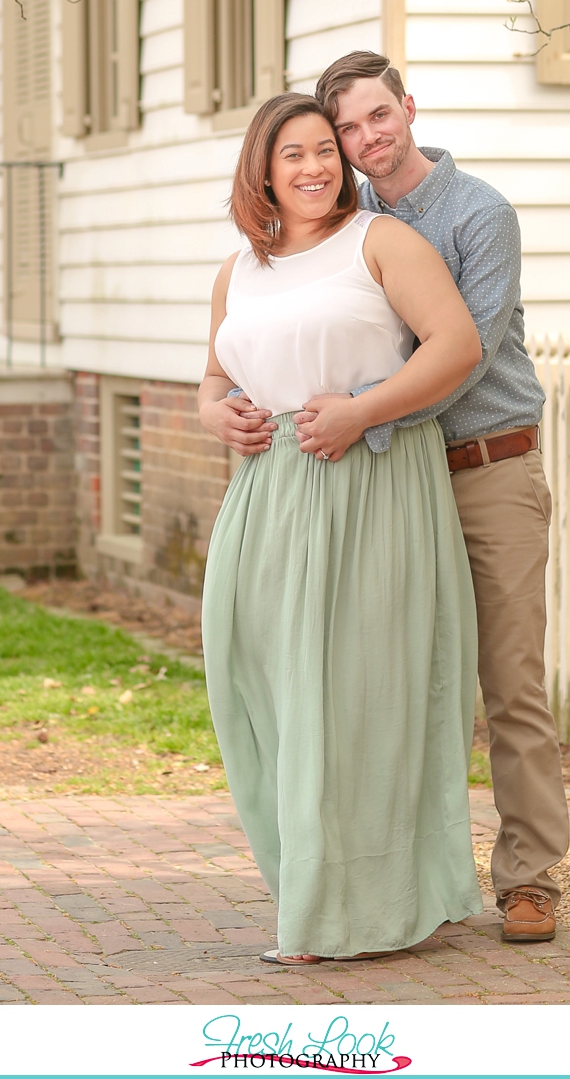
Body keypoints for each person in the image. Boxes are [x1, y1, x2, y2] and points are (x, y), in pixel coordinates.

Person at [198, 92, 484, 965]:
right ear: (264, 167)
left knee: (360, 700)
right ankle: (311, 886)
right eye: (295, 153)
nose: (318, 166)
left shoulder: (382, 242)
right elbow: (211, 382)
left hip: (371, 484)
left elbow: (456, 343)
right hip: (271, 490)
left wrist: (361, 411)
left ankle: (359, 906)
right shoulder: (240, 267)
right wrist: (220, 419)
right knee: (266, 690)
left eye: (328, 149)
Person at [299, 50, 569, 945]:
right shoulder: (346, 222)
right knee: (398, 682)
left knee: (508, 683)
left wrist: (362, 421)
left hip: (485, 468)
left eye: (378, 116)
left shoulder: (479, 214)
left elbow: (464, 355)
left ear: (409, 109)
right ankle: (411, 876)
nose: (364, 138)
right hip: (393, 477)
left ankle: (531, 880)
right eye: (346, 127)